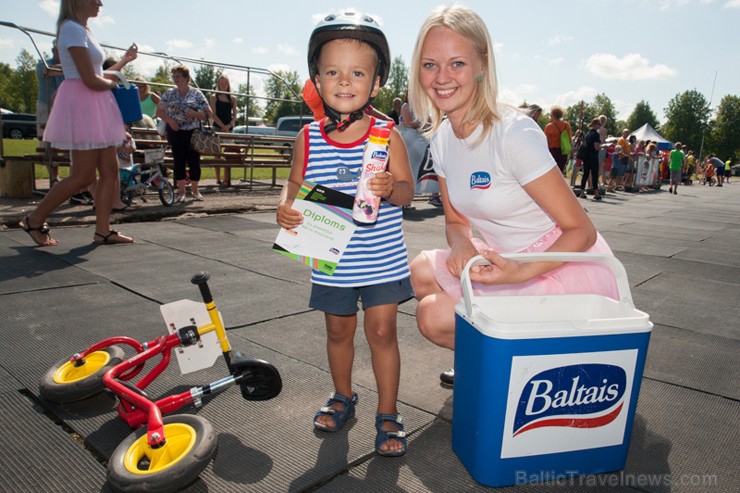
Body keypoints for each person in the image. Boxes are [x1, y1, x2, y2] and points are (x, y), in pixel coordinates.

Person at [407, 5, 618, 387]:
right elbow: (456, 222)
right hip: (506, 261)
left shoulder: (513, 135)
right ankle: (487, 357)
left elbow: (581, 231)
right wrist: (461, 247)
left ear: (482, 65)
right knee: (421, 270)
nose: (441, 78)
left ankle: (509, 363)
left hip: (559, 264)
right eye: (429, 65)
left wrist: (517, 271)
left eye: (457, 63)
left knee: (434, 316)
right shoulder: (440, 139)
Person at [276, 11, 414, 457]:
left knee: (382, 332)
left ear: (376, 84)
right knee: (338, 331)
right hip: (331, 258)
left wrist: (392, 188)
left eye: (357, 72)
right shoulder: (308, 136)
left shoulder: (385, 134)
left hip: (381, 258)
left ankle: (388, 412)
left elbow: (409, 193)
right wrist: (285, 206)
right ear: (317, 78)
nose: (344, 81)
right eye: (332, 71)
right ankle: (343, 395)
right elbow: (294, 184)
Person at [19, 0, 136, 247]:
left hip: (95, 104)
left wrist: (122, 67)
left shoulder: (83, 29)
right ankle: (34, 219)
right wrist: (116, 86)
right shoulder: (71, 28)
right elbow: (89, 79)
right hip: (85, 104)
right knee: (82, 176)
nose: (101, 3)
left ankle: (103, 231)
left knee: (110, 171)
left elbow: (97, 74)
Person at [156, 65, 213, 202]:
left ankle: (195, 190)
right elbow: (159, 112)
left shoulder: (196, 94)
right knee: (178, 161)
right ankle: (181, 191)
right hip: (175, 131)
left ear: (187, 78)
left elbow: (208, 114)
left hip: (193, 132)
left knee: (194, 161)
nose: (176, 79)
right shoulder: (169, 93)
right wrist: (170, 121)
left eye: (179, 76)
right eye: (174, 76)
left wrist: (195, 113)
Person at [36, 40, 65, 187]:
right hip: (46, 106)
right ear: (54, 50)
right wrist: (70, 67)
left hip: (64, 108)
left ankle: (74, 179)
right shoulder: (44, 64)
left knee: (66, 141)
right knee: (47, 142)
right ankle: (54, 178)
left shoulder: (69, 65)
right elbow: (47, 70)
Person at [210, 74, 238, 187]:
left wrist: (229, 125)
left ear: (228, 84)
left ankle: (227, 178)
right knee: (217, 154)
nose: (223, 85)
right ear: (218, 84)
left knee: (228, 153)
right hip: (217, 128)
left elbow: (235, 115)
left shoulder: (232, 98)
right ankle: (218, 178)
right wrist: (222, 126)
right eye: (221, 83)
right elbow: (213, 114)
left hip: (229, 129)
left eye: (225, 83)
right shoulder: (213, 97)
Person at [543, 105, 572, 174]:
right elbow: (570, 139)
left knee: (552, 172)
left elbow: (546, 140)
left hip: (553, 151)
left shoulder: (549, 126)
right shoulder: (566, 125)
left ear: (552, 115)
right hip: (563, 151)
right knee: (560, 172)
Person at [581, 118, 603, 200]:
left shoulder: (588, 133)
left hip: (586, 156)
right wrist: (603, 146)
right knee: (594, 174)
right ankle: (596, 193)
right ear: (594, 124)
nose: (599, 126)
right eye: (599, 124)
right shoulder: (596, 134)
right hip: (593, 156)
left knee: (585, 174)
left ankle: (582, 192)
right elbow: (596, 147)